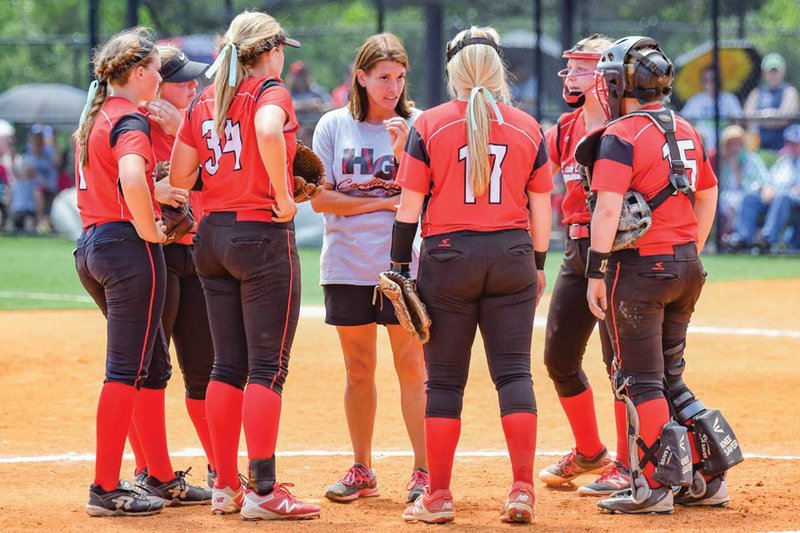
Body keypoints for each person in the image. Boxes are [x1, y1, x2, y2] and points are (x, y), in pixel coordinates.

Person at [395, 26, 552, 524]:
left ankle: (437, 497)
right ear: (499, 71)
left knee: (443, 383)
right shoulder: (528, 126)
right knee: (514, 375)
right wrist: (539, 264)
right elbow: (542, 209)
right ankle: (522, 491)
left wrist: (400, 269)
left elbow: (408, 209)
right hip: (511, 254)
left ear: (453, 74)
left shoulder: (431, 124)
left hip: (447, 258)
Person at [169, 10, 321, 521]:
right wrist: (281, 194)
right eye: (282, 50)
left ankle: (226, 485)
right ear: (271, 51)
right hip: (261, 237)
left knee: (225, 365)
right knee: (266, 368)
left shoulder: (203, 99)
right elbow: (267, 128)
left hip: (211, 238)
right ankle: (264, 490)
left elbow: (180, 174)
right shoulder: (269, 91)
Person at [584, 36, 741, 514]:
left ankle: (652, 486)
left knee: (641, 379)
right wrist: (690, 245)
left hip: (639, 272)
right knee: (671, 376)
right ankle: (707, 477)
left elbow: (608, 209)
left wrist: (595, 270)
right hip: (686, 265)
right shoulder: (687, 129)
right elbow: (708, 195)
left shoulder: (621, 135)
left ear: (620, 85)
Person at [74, 27, 208, 517]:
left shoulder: (99, 115)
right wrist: (150, 228)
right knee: (126, 372)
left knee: (143, 368)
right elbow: (131, 174)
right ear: (137, 73)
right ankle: (105, 487)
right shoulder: (128, 116)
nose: (158, 76)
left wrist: (151, 201)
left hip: (92, 247)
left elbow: (113, 181)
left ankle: (157, 476)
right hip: (128, 251)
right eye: (153, 69)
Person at [311, 32, 428, 505]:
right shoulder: (333, 126)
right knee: (358, 368)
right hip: (347, 264)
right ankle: (363, 468)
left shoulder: (418, 124)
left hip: (404, 265)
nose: (392, 88)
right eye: (383, 78)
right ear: (361, 77)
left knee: (412, 366)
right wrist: (387, 203)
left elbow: (427, 198)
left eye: (399, 78)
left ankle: (423, 470)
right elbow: (319, 198)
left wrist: (403, 158)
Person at [537, 33, 632, 497]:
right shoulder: (566, 127)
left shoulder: (628, 125)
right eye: (569, 66)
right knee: (558, 357)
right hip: (577, 252)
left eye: (579, 68)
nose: (568, 75)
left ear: (605, 75)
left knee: (622, 362)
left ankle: (630, 462)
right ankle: (591, 452)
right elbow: (532, 180)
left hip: (620, 255)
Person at [124, 44, 217, 492]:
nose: (194, 86)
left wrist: (185, 130)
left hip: (195, 253)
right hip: (152, 253)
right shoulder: (133, 128)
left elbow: (222, 179)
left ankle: (220, 467)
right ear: (156, 84)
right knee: (144, 367)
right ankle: (149, 470)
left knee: (205, 367)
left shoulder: (197, 125)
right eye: (183, 81)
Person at [731, 124, 800, 252]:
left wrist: (780, 192)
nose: (793, 146)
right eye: (790, 143)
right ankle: (742, 238)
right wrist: (766, 189)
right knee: (751, 196)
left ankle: (767, 239)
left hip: (793, 202)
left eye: (796, 143)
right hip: (776, 199)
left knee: (782, 197)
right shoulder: (784, 161)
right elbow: (769, 181)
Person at [716, 125, 768, 239]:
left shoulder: (752, 159)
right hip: (725, 196)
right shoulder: (722, 162)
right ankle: (725, 237)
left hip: (750, 195)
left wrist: (737, 169)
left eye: (738, 143)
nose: (735, 147)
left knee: (736, 202)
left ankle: (733, 236)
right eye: (731, 144)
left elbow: (760, 183)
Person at [743, 53, 799, 151]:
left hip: (784, 149)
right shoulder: (756, 92)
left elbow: (784, 118)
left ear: (783, 72)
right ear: (763, 73)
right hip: (758, 148)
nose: (773, 75)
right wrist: (773, 116)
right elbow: (747, 117)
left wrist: (760, 117)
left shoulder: (789, 91)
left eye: (776, 71)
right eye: (770, 71)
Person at [680, 66, 742, 148]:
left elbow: (737, 123)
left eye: (713, 80)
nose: (710, 83)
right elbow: (684, 121)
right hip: (703, 145)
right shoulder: (695, 101)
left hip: (725, 145)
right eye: (706, 80)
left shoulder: (729, 99)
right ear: (702, 83)